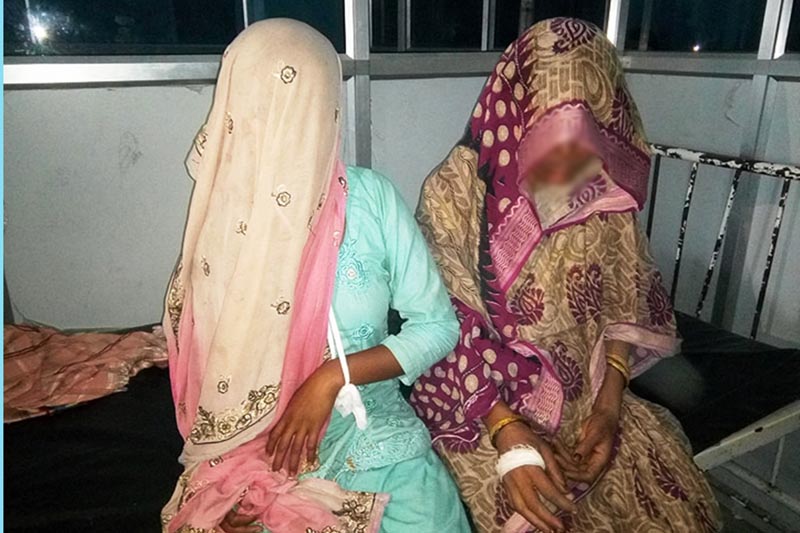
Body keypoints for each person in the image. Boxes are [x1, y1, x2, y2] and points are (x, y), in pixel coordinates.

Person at [410, 17, 722, 533]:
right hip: (483, 404)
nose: (565, 153)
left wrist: (610, 405)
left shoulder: (599, 189)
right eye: (553, 124)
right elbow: (443, 326)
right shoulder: (455, 195)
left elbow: (623, 307)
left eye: (579, 128)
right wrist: (509, 437)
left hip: (586, 397)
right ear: (523, 107)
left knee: (672, 510)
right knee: (525, 512)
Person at [161, 19, 469, 533]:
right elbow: (217, 385)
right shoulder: (222, 220)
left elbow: (437, 327)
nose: (283, 127)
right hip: (259, 444)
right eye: (265, 105)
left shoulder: (369, 200)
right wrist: (244, 478)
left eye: (300, 107)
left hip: (370, 426)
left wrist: (331, 377)